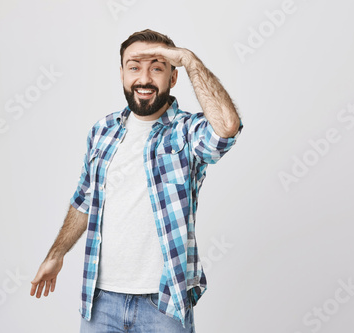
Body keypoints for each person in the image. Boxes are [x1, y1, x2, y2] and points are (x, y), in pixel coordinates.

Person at [30, 29, 243, 332]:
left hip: (163, 303)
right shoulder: (103, 130)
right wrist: (56, 254)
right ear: (121, 74)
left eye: (157, 67)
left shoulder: (186, 132)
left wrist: (189, 59)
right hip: (100, 300)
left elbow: (226, 126)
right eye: (134, 67)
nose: (144, 79)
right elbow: (84, 199)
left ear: (173, 78)